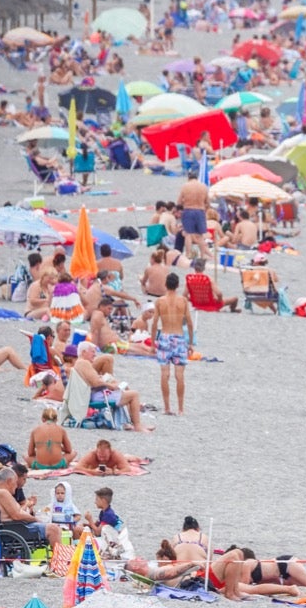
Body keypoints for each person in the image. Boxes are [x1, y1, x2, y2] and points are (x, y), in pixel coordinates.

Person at [73, 341, 151, 432]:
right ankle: (137, 426)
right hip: (98, 397)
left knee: (124, 389)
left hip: (91, 395)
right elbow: (95, 383)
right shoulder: (83, 363)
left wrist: (104, 380)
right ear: (83, 352)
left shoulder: (80, 364)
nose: (95, 354)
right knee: (134, 394)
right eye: (92, 352)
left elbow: (92, 380)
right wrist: (111, 385)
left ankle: (133, 423)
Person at [151, 272, 194, 416]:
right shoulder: (182, 301)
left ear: (165, 285)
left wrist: (152, 342)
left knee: (165, 374)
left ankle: (167, 407)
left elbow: (155, 322)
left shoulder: (160, 302)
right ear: (177, 285)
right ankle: (181, 409)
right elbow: (189, 322)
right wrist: (191, 343)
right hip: (179, 337)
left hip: (164, 336)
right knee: (179, 375)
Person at [0, 467, 62, 548]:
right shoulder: (2, 492)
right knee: (54, 529)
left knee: (52, 526)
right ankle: (59, 559)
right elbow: (17, 515)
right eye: (15, 483)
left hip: (14, 527)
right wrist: (35, 519)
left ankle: (58, 557)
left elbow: (17, 512)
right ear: (9, 481)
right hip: (16, 529)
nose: (16, 486)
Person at [177, 172, 210, 259]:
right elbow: (208, 202)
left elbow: (179, 202)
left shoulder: (185, 186)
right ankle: (202, 256)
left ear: (188, 178)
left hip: (188, 209)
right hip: (200, 210)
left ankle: (188, 255)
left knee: (188, 234)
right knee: (200, 236)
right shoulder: (203, 186)